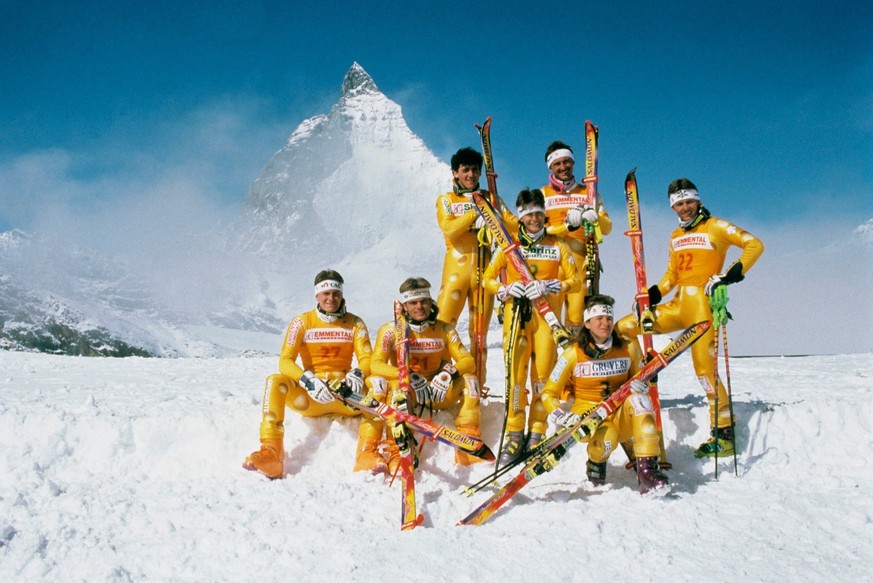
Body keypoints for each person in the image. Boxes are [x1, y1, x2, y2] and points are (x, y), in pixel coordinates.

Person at [616, 178, 764, 458]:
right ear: (673, 207)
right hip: (678, 303)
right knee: (623, 327)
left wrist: (730, 274)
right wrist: (655, 293)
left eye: (688, 202)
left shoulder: (716, 227)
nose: (685, 208)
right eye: (679, 204)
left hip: (702, 308)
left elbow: (754, 244)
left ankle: (724, 432)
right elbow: (672, 275)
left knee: (705, 371)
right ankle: (636, 377)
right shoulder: (675, 236)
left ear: (698, 201)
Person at [243, 269, 385, 479]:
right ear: (317, 295)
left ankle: (367, 453)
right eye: (326, 293)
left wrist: (358, 373)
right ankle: (271, 453)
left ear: (342, 295)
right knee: (275, 381)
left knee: (379, 383)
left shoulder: (355, 323)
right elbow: (285, 361)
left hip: (346, 397)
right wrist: (307, 380)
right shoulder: (301, 322)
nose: (331, 298)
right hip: (311, 398)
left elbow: (367, 358)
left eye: (336, 294)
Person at [482, 188, 581, 465]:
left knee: (541, 379)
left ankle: (536, 431)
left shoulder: (558, 245)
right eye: (528, 214)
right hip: (517, 318)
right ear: (521, 217)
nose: (534, 218)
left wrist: (552, 284)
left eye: (538, 212)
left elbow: (576, 281)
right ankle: (514, 434)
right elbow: (487, 279)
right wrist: (505, 288)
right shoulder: (510, 246)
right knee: (515, 378)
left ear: (544, 213)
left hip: (546, 320)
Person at [542, 294, 669, 493]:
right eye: (599, 318)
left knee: (641, 402)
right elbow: (549, 393)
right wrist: (561, 415)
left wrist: (645, 384)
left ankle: (647, 472)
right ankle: (596, 461)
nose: (605, 323)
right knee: (606, 442)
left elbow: (640, 377)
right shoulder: (572, 354)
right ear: (587, 322)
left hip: (619, 411)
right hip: (590, 417)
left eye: (609, 318)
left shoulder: (628, 347)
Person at [370, 277, 484, 467]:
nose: (419, 307)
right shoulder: (390, 330)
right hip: (410, 393)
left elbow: (468, 361)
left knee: (471, 381)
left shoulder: (444, 329)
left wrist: (448, 374)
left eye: (424, 301)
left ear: (431, 303)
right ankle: (398, 449)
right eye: (413, 303)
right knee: (395, 388)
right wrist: (406, 375)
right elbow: (375, 365)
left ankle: (468, 437)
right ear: (404, 306)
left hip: (437, 391)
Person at [435, 147, 518, 386]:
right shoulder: (447, 199)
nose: (470, 174)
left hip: (484, 271)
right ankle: (440, 378)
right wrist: (476, 211)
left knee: (479, 335)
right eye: (465, 170)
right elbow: (449, 228)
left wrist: (500, 216)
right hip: (456, 269)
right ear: (456, 173)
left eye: (474, 170)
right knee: (443, 325)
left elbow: (512, 225)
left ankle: (477, 384)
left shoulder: (492, 199)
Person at [541, 141, 613, 336]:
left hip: (581, 262)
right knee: (550, 326)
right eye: (557, 164)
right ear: (550, 167)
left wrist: (595, 217)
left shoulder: (589, 193)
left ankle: (577, 363)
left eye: (567, 162)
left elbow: (607, 228)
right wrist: (567, 226)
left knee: (577, 322)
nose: (563, 167)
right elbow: (537, 231)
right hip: (552, 262)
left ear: (573, 163)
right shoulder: (542, 195)